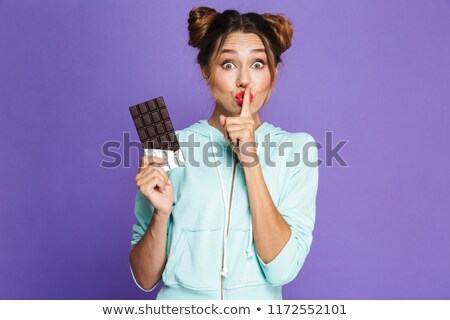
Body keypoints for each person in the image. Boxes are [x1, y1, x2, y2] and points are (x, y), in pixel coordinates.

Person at [129, 6, 319, 300]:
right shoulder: (166, 146)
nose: (244, 79)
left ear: (273, 73)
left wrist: (251, 162)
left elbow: (282, 270)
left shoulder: (297, 149)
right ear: (207, 71)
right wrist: (160, 214)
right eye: (228, 64)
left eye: (258, 64)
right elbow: (144, 278)